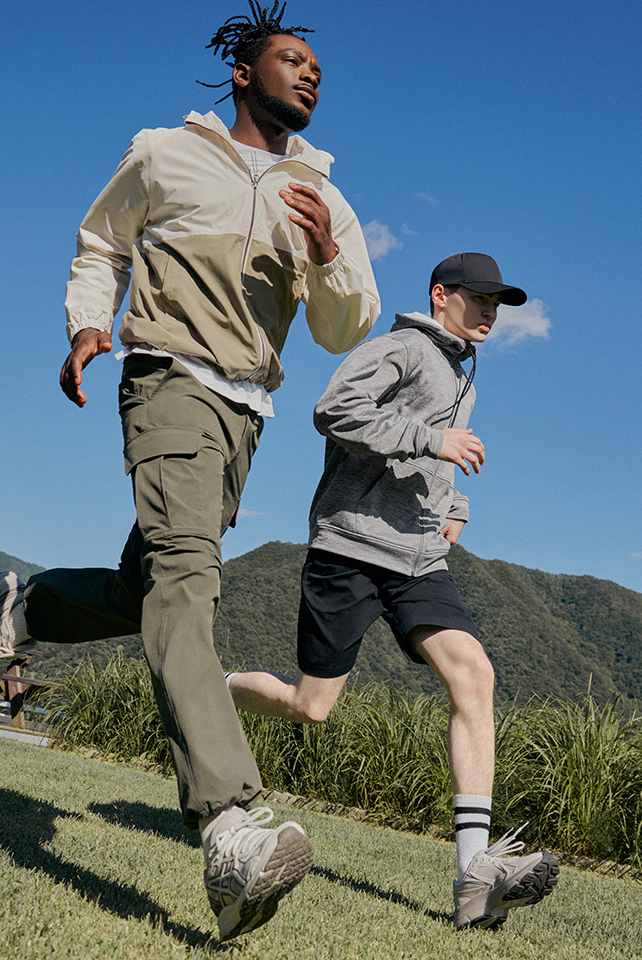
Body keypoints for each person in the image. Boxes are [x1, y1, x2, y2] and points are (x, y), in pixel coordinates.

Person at [0, 1, 380, 941]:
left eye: (317, 67)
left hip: (248, 413)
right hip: (168, 381)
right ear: (244, 71)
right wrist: (88, 323)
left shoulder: (325, 194)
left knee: (148, 585)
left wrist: (326, 254)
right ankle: (230, 827)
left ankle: (26, 607)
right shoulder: (165, 153)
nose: (310, 74)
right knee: (189, 584)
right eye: (292, 59)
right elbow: (102, 243)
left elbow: (344, 327)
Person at [227, 252, 560, 930]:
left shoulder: (462, 376)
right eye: (479, 298)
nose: (491, 312)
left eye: (498, 303)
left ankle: (473, 875)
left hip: (418, 558)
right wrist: (431, 441)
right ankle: (209, 690)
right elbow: (334, 410)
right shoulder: (400, 348)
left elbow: (438, 458)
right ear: (441, 295)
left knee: (475, 675)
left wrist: (453, 505)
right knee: (310, 706)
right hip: (350, 546)